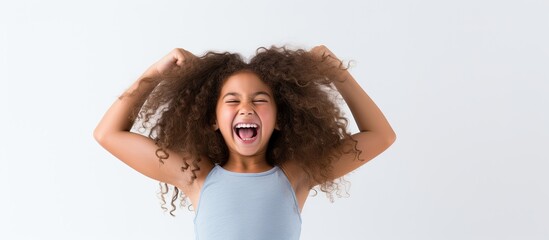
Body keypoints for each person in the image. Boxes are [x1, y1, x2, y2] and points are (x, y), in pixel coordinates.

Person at [93, 45, 396, 240]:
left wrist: (337, 75)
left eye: (259, 100)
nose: (246, 108)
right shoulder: (195, 174)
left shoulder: (297, 174)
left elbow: (381, 136)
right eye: (232, 100)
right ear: (212, 119)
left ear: (279, 119)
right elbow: (108, 134)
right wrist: (154, 74)